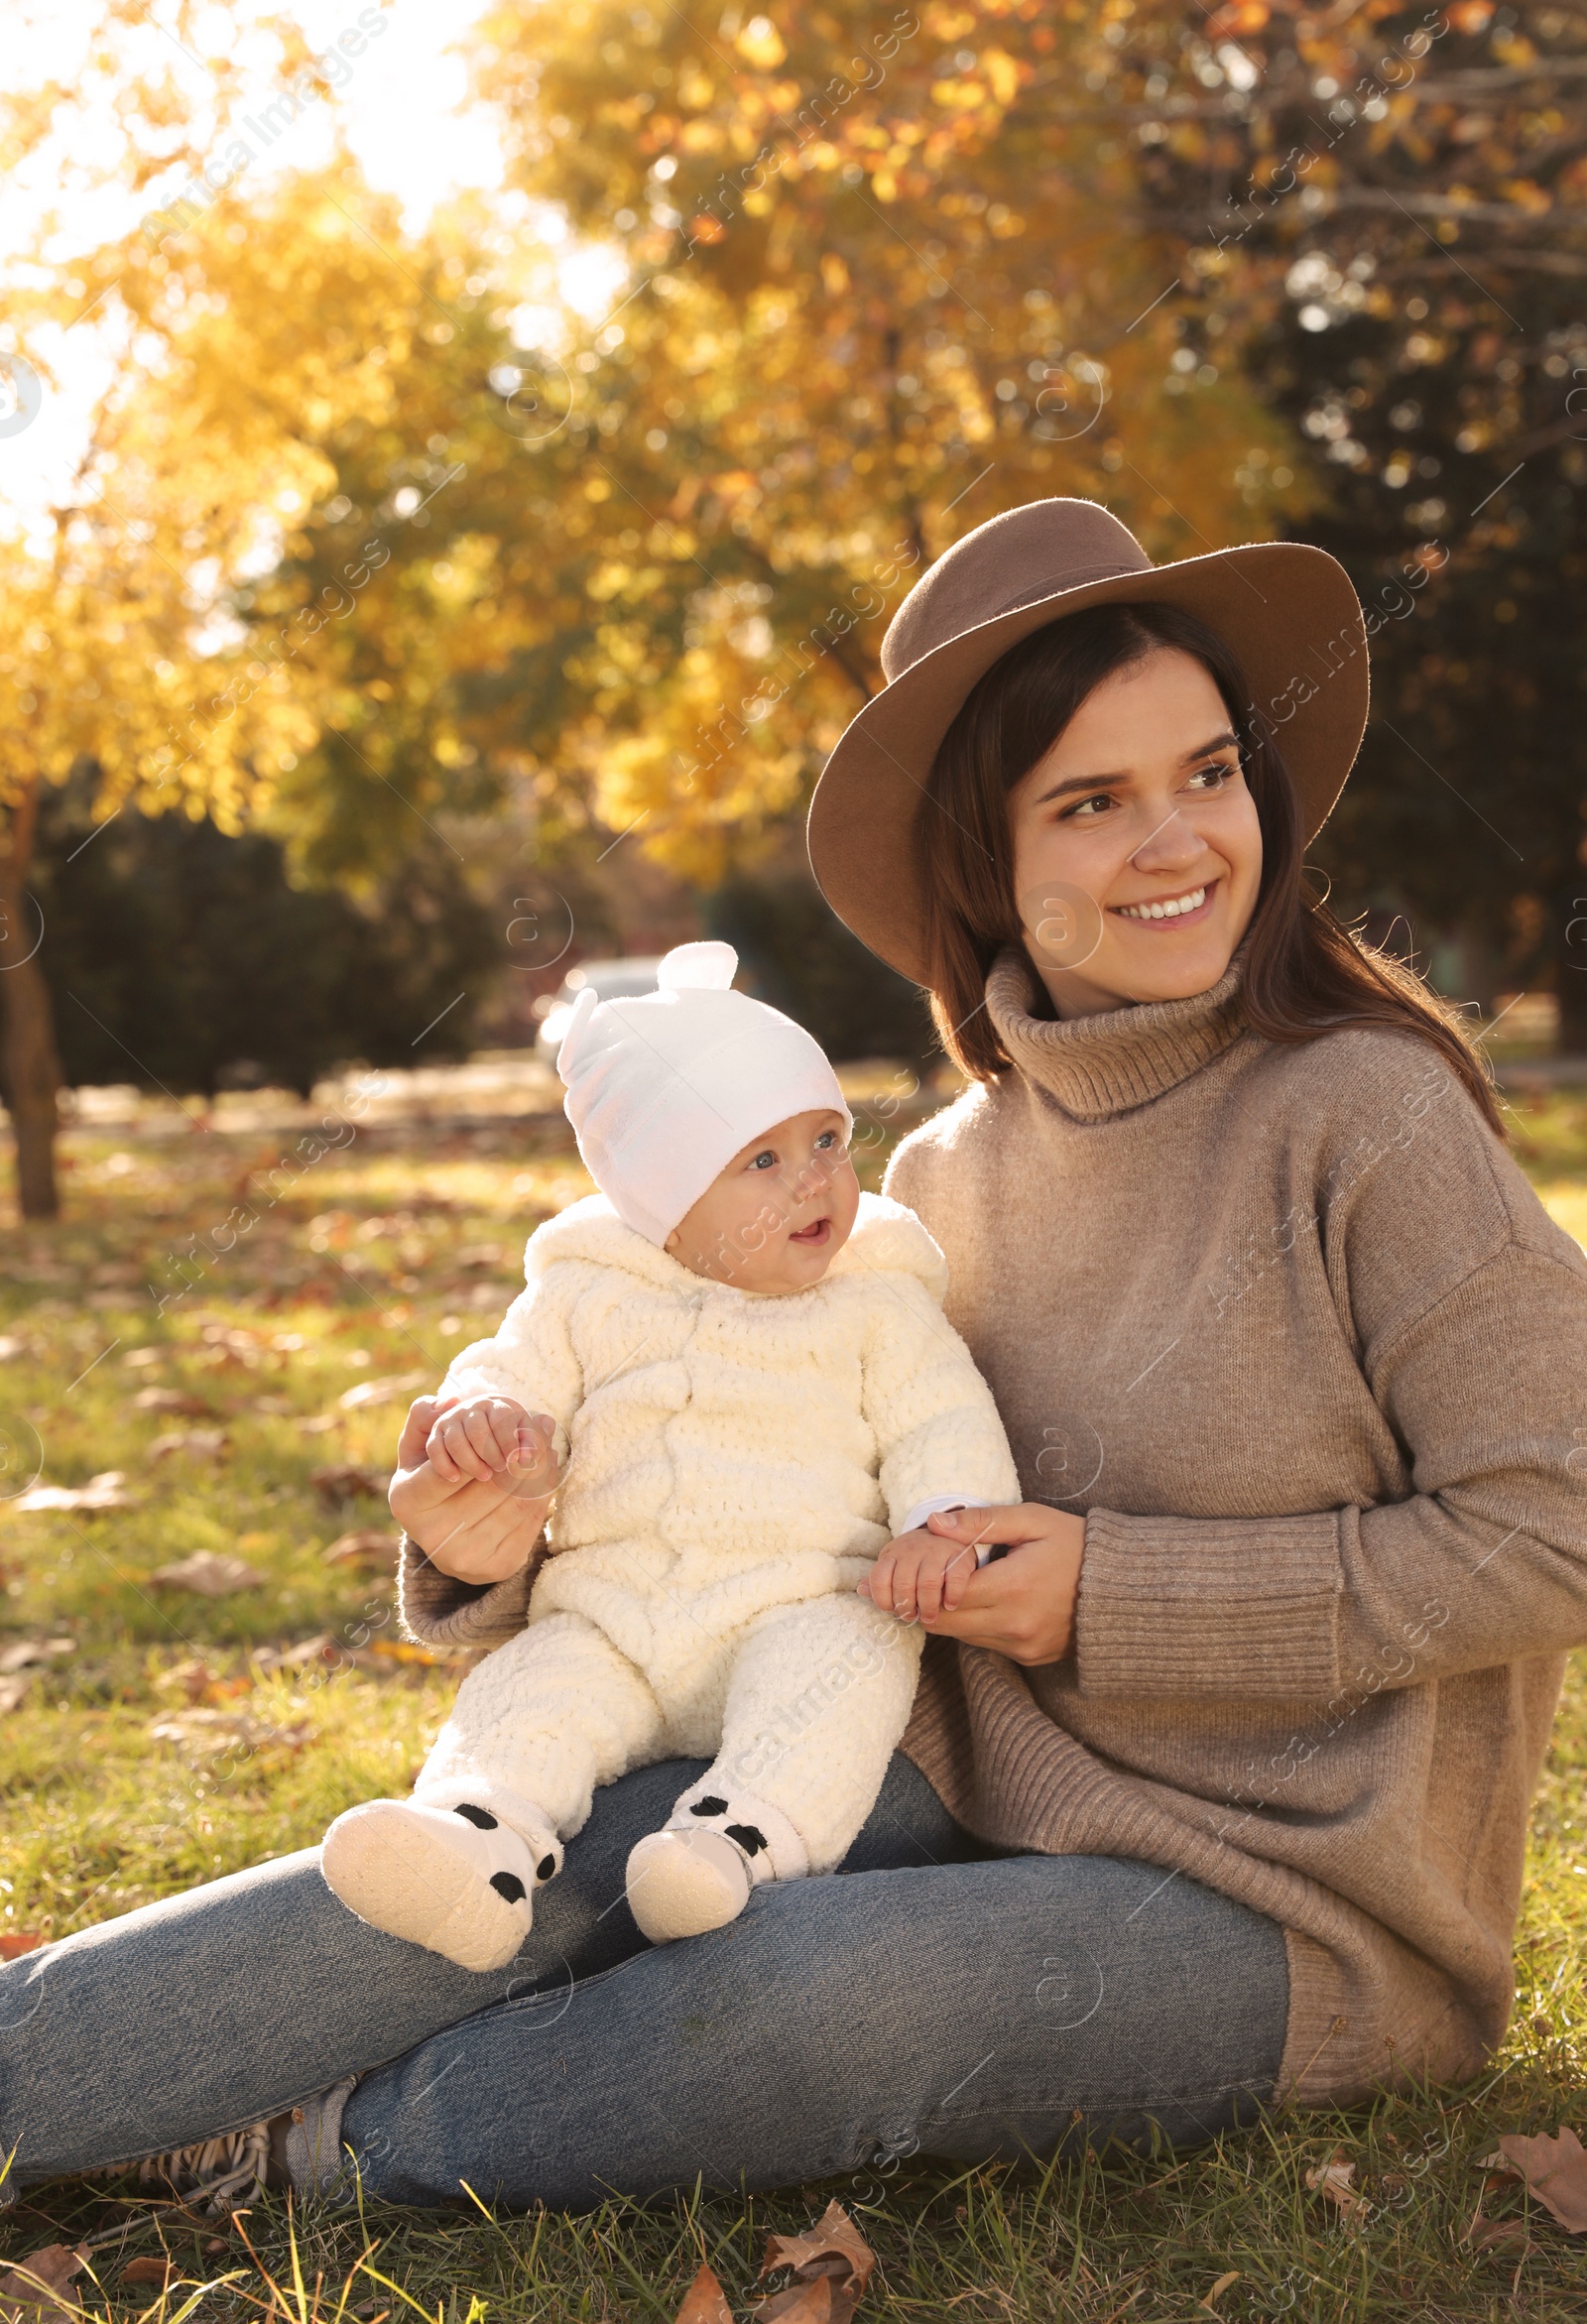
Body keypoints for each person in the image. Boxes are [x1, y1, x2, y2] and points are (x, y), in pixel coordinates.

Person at [4, 498, 1582, 2216]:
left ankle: (289, 2139)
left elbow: (1555, 1518)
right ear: (987, 864)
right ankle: (36, 2066)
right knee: (556, 1857)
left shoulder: (1368, 1113)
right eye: (1091, 800)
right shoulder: (936, 1178)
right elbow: (756, 1500)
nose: (1178, 839)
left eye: (1208, 773)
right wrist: (492, 1547)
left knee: (785, 1997)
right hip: (968, 1768)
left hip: (1300, 1902)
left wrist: (1111, 1597)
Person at [320, 939, 1018, 1969]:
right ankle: (475, 1843)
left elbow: (940, 1424)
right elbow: (506, 1374)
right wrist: (483, 1423)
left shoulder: (876, 1299)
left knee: (846, 1668)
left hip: (797, 1598)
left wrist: (943, 1526)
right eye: (763, 1161)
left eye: (827, 1138)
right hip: (611, 1614)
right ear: (662, 1207)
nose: (817, 1180)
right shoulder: (584, 1292)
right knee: (531, 1690)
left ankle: (732, 1840)